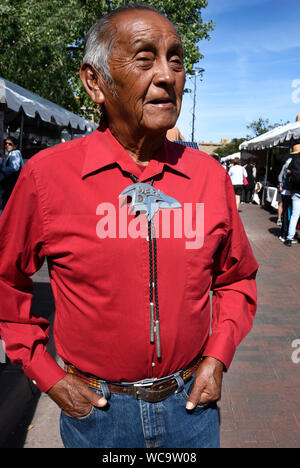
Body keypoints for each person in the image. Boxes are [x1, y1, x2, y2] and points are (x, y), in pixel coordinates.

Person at [0, 4, 258, 449]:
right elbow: (6, 279)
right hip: (95, 416)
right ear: (94, 82)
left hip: (191, 409)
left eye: (176, 60)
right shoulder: (47, 177)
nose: (166, 75)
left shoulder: (210, 177)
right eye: (145, 58)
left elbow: (237, 279)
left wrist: (218, 357)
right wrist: (47, 374)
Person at [0, 137, 24, 210]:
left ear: (15, 146)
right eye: (6, 143)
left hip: (11, 183)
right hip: (10, 183)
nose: (7, 145)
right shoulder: (12, 153)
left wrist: (2, 169)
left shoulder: (14, 153)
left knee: (7, 203)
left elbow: (14, 167)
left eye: (10, 144)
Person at [284, 144, 300, 247]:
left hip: (296, 189)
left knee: (295, 215)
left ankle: (289, 238)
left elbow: (287, 171)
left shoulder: (294, 159)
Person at [278, 156, 292, 242]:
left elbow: (280, 177)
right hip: (291, 191)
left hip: (286, 191)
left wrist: (280, 185)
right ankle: (287, 234)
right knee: (289, 213)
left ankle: (285, 233)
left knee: (287, 213)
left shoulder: (287, 162)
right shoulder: (292, 163)